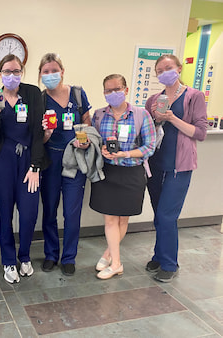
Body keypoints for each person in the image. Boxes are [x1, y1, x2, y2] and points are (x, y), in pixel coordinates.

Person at [145, 55, 207, 282]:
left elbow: (200, 133)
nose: (164, 73)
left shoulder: (194, 96)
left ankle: (170, 263)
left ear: (179, 69)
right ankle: (159, 255)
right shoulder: (154, 99)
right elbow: (148, 131)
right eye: (159, 70)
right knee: (158, 216)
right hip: (155, 165)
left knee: (167, 215)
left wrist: (172, 118)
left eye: (168, 68)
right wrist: (156, 120)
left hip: (179, 166)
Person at [0, 54, 46, 284]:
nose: (12, 76)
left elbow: (38, 134)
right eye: (7, 72)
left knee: (29, 214)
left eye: (16, 71)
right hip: (4, 160)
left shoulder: (31, 93)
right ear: (0, 74)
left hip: (28, 161)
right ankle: (9, 260)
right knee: (5, 215)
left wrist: (35, 166)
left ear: (23, 72)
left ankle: (25, 256)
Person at [90, 74, 155, 280]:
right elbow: (95, 141)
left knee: (122, 219)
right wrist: (102, 149)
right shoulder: (99, 115)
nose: (112, 93)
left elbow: (150, 146)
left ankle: (109, 254)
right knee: (110, 219)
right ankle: (117, 263)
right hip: (107, 172)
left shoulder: (141, 115)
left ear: (126, 90)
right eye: (108, 90)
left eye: (116, 89)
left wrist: (126, 153)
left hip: (132, 171)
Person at [38, 53, 92, 276]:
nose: (51, 75)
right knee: (49, 210)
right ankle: (51, 254)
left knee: (72, 212)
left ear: (62, 71)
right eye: (45, 72)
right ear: (41, 75)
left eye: (54, 70)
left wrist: (84, 139)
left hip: (75, 160)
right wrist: (46, 134)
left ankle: (69, 256)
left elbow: (87, 122)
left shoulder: (78, 94)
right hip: (50, 160)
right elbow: (37, 140)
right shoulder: (40, 100)